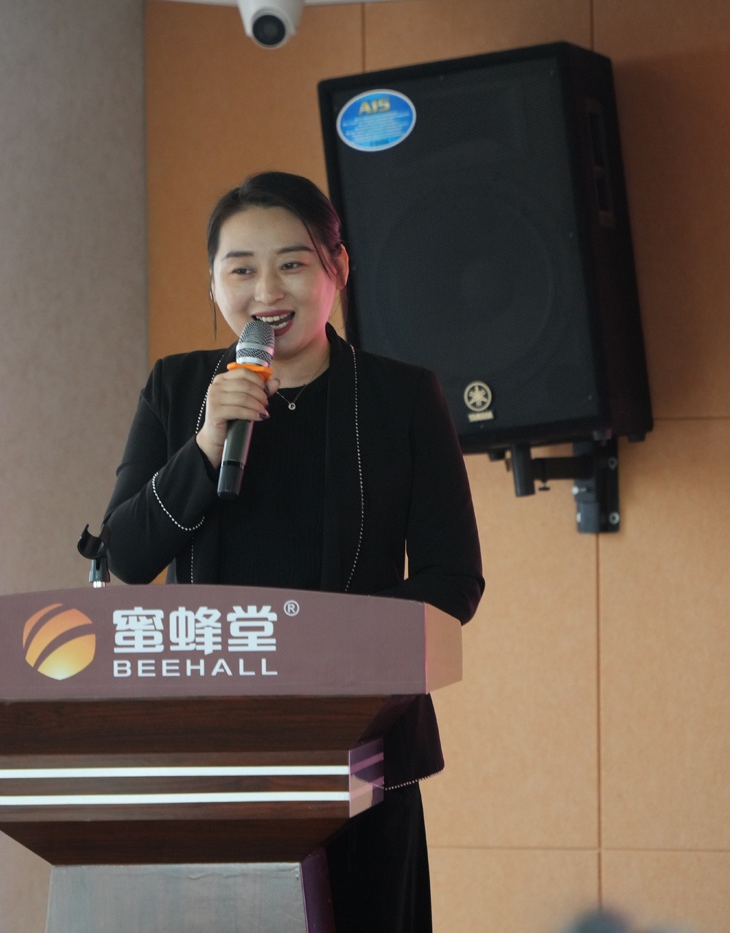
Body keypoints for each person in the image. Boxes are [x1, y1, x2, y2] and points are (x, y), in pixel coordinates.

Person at [102, 171, 483, 932]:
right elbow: (127, 556)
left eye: (293, 263)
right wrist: (204, 446)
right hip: (211, 756)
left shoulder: (401, 397)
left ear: (338, 269)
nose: (266, 290)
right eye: (241, 268)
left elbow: (453, 581)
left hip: (363, 753)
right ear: (214, 282)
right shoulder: (178, 388)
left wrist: (310, 642)